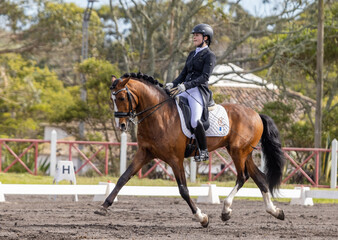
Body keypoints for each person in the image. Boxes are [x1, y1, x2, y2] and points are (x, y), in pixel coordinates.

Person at [165, 23, 216, 162]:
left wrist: (186, 86)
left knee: (195, 120)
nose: (194, 37)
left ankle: (203, 151)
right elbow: (183, 74)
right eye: (194, 35)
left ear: (205, 38)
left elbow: (204, 77)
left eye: (197, 35)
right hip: (184, 88)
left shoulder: (209, 56)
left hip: (198, 91)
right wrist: (173, 83)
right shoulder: (192, 54)